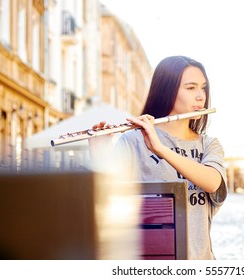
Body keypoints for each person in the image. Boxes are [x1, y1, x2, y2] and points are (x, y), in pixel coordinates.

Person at [90, 55, 227, 260]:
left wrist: (160, 149)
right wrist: (99, 156)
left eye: (203, 88)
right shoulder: (133, 141)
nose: (200, 96)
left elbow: (212, 182)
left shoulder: (209, 145)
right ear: (167, 90)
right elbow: (105, 202)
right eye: (191, 88)